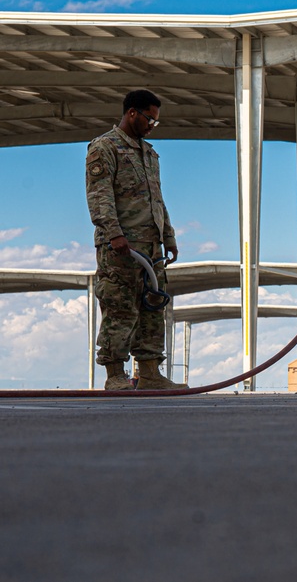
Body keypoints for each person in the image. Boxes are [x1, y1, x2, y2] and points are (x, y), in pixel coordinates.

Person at [86, 89, 186, 391]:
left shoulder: (149, 154)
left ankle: (151, 373)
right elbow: (99, 195)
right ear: (132, 113)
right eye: (149, 120)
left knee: (153, 309)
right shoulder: (105, 148)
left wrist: (168, 237)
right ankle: (115, 374)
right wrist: (114, 233)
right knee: (120, 307)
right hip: (121, 247)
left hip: (151, 248)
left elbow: (158, 199)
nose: (151, 126)